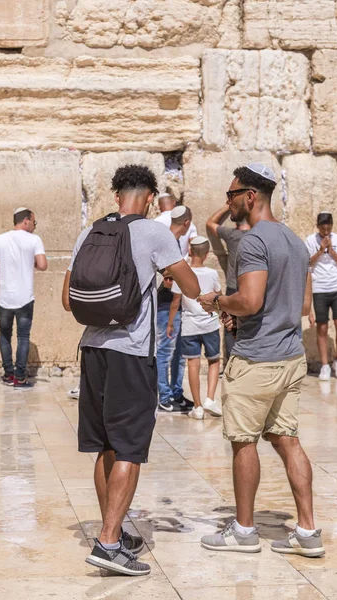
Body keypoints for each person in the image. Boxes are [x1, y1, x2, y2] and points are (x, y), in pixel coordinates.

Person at [62, 165, 200, 576]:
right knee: (129, 448)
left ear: (116, 195)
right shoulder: (154, 232)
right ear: (151, 198)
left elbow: (70, 300)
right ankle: (107, 543)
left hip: (93, 349)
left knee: (105, 445)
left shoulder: (90, 232)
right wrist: (168, 268)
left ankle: (114, 531)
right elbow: (190, 287)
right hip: (131, 352)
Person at [198, 163, 324, 558]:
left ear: (251, 196)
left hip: (256, 360)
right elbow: (302, 305)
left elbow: (250, 301)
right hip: (290, 357)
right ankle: (307, 532)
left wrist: (219, 302)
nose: (228, 202)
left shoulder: (253, 241)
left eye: (232, 195)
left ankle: (244, 531)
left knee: (243, 443)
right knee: (289, 441)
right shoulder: (294, 241)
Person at [0, 207, 47, 389]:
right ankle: (20, 378)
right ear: (26, 221)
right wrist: (30, 265)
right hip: (25, 297)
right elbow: (43, 265)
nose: (34, 226)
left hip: (4, 298)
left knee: (5, 335)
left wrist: (2, 268)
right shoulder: (34, 240)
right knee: (23, 336)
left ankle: (8, 374)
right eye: (34, 222)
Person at [168, 236, 222, 420]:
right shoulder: (212, 274)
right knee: (214, 360)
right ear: (207, 254)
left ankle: (197, 406)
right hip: (210, 323)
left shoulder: (182, 273)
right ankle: (210, 399)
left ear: (190, 251)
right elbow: (218, 297)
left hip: (190, 325)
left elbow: (176, 300)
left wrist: (169, 323)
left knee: (193, 363)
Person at [157, 205, 194, 412]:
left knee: (179, 353)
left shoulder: (174, 239)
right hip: (165, 303)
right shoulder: (167, 240)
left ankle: (176, 393)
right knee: (165, 351)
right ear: (187, 223)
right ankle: (164, 396)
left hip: (176, 303)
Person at [306, 212, 337, 381]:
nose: (326, 230)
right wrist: (320, 250)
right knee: (322, 327)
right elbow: (308, 263)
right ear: (318, 227)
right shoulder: (310, 241)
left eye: (328, 227)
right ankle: (324, 365)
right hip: (319, 288)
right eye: (323, 227)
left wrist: (331, 250)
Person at [206, 204, 250, 358]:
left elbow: (210, 223)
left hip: (233, 286)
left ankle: (231, 360)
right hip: (251, 288)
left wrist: (227, 205)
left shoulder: (231, 234)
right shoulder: (256, 236)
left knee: (229, 325)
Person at [154, 193, 198, 258]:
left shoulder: (155, 223)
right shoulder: (188, 222)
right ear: (174, 203)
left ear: (158, 206)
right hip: (182, 264)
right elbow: (195, 247)